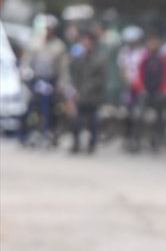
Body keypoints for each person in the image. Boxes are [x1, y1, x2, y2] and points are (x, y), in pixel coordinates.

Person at [19, 15, 70, 146]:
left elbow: (63, 68)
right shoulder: (35, 42)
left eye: (51, 29)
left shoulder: (59, 46)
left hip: (50, 80)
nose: (49, 31)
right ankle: (26, 133)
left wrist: (62, 83)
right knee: (30, 106)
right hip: (35, 79)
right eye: (47, 28)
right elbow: (26, 61)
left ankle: (48, 132)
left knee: (48, 107)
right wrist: (25, 73)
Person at [68, 30, 107, 154]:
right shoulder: (81, 59)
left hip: (93, 96)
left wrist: (87, 89)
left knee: (92, 122)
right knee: (76, 120)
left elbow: (100, 79)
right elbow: (76, 77)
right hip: (81, 95)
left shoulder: (100, 59)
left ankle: (92, 143)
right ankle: (76, 143)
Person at [137, 33, 166, 150]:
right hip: (146, 91)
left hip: (159, 91)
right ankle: (138, 141)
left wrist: (163, 89)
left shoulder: (164, 58)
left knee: (159, 117)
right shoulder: (144, 57)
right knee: (140, 116)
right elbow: (140, 73)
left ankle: (156, 141)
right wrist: (142, 88)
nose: (153, 45)